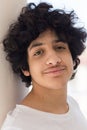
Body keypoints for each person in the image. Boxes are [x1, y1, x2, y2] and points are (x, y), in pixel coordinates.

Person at [1, 2, 87, 130]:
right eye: (38, 52)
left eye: (59, 47)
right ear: (25, 67)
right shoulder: (19, 126)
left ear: (72, 56)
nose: (54, 60)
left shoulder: (71, 105)